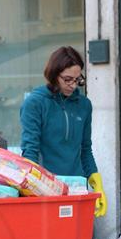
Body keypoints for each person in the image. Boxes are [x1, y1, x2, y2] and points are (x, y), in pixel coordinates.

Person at [20, 46, 107, 217]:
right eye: (67, 79)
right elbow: (30, 150)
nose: (73, 85)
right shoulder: (35, 103)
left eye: (77, 79)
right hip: (45, 188)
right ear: (53, 75)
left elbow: (85, 148)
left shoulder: (84, 105)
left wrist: (97, 184)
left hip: (77, 187)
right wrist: (29, 188)